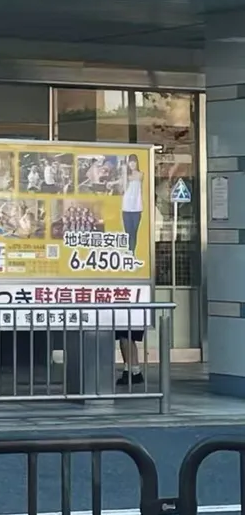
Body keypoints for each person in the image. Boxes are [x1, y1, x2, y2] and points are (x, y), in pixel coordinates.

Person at [116, 154, 145, 386]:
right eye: (129, 162)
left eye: (133, 161)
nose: (131, 165)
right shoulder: (125, 176)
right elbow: (121, 186)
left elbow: (134, 179)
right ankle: (131, 370)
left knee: (127, 336)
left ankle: (134, 370)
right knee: (125, 337)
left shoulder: (138, 174)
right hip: (126, 207)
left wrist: (125, 173)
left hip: (136, 208)